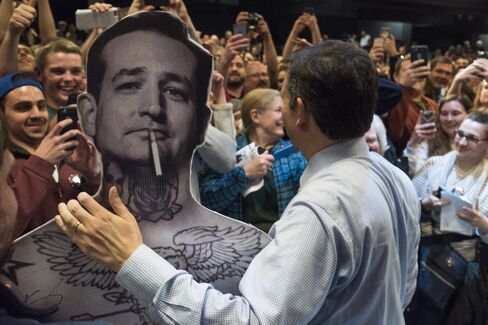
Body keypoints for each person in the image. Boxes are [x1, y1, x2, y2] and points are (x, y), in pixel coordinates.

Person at [55, 39, 420, 324]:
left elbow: (252, 320)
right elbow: (402, 292)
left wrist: (131, 260)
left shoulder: (322, 207)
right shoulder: (394, 177)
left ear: (301, 112)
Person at [0, 72, 100, 237]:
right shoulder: (4, 164)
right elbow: (5, 228)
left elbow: (99, 218)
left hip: (77, 259)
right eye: (23, 107)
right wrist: (40, 163)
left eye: (41, 106)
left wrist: (93, 179)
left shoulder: (68, 157)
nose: (37, 115)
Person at [412, 111, 488, 324]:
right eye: (459, 134)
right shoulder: (435, 164)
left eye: (472, 138)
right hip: (420, 259)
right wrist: (425, 204)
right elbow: (405, 205)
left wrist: (482, 223)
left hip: (462, 275)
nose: (462, 142)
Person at [200, 88, 306, 232]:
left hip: (282, 241)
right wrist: (244, 174)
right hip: (238, 245)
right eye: (278, 111)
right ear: (256, 116)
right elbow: (209, 202)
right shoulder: (229, 152)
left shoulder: (294, 154)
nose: (284, 117)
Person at [405, 94, 473, 176]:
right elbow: (416, 174)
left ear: (468, 115)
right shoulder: (429, 141)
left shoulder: (480, 143)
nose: (449, 119)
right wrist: (413, 144)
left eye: (455, 113)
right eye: (444, 114)